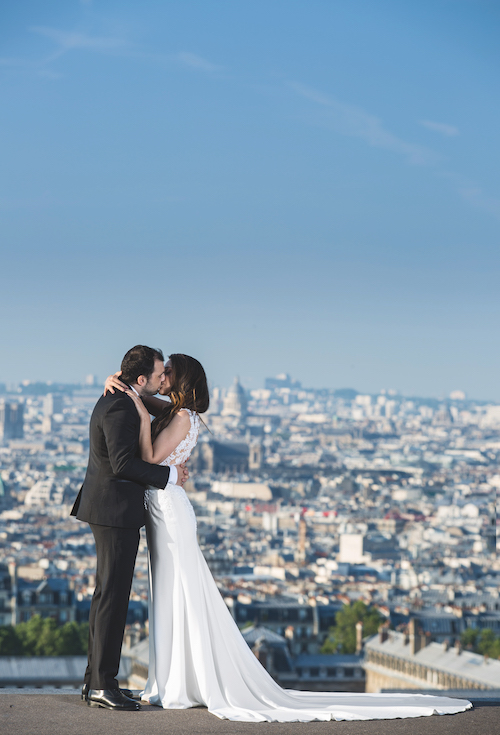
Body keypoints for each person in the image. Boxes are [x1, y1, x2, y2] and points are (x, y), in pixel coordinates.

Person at [104, 356, 471, 723]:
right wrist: (128, 390)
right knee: (172, 592)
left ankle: (178, 682)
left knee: (177, 591)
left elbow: (150, 454)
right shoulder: (179, 412)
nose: (161, 376)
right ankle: (175, 679)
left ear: (181, 380)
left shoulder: (182, 417)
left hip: (168, 509)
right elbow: (147, 403)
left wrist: (135, 408)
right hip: (164, 507)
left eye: (167, 371)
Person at [71, 345, 188, 711]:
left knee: (106, 596)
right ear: (141, 379)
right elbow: (123, 464)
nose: (160, 381)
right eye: (156, 376)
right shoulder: (122, 405)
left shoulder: (118, 397)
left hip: (105, 507)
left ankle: (95, 682)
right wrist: (170, 476)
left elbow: (169, 410)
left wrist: (120, 381)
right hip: (115, 510)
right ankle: (104, 685)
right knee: (114, 598)